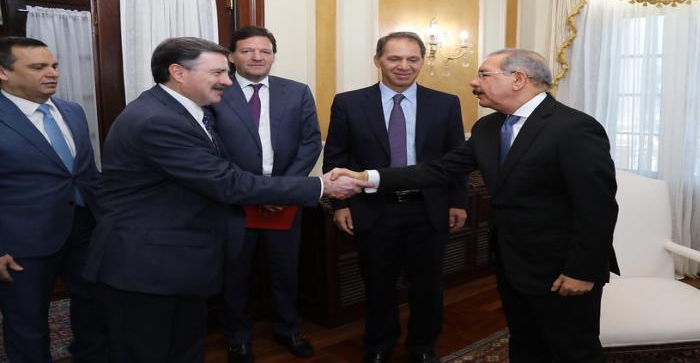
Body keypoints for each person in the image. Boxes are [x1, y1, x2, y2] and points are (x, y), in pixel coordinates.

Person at [81, 37, 368, 363]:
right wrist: (319, 187)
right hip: (148, 268)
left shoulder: (181, 112)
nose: (228, 81)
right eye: (217, 72)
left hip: (175, 261)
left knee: (184, 349)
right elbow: (226, 182)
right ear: (178, 72)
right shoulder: (158, 120)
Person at [330, 49, 619, 363]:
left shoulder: (574, 127)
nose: (473, 82)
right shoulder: (488, 128)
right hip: (512, 262)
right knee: (525, 343)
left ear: (518, 79)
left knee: (572, 350)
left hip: (560, 267)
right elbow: (437, 170)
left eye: (484, 75)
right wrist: (367, 178)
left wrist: (582, 271)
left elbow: (597, 208)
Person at [322, 32, 467, 363]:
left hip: (428, 209)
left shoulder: (445, 103)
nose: (404, 66)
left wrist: (458, 201)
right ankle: (378, 345)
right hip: (373, 210)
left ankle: (423, 346)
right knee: (377, 283)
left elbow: (456, 159)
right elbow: (336, 158)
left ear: (422, 61)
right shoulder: (348, 103)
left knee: (428, 285)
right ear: (377, 61)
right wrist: (340, 204)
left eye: (413, 59)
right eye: (394, 58)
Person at [211, 26, 321, 362]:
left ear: (273, 56)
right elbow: (211, 149)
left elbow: (310, 142)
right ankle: (238, 337)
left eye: (265, 51)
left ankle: (288, 329)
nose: (257, 57)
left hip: (283, 200)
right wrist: (252, 191)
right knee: (235, 274)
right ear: (232, 57)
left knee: (284, 270)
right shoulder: (215, 91)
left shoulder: (297, 92)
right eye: (247, 51)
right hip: (235, 201)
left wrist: (282, 190)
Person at [0, 37, 105, 363]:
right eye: (38, 67)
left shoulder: (73, 111)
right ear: (3, 72)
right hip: (22, 243)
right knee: (27, 322)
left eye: (54, 65)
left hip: (85, 230)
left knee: (93, 309)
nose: (52, 73)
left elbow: (87, 173)